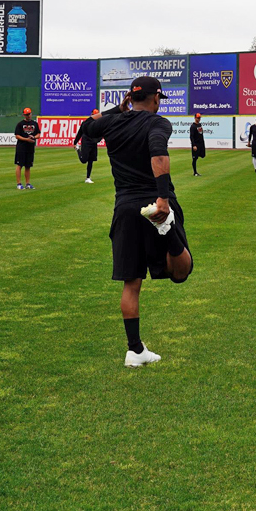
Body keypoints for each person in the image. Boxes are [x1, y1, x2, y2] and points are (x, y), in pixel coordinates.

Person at [81, 77, 193, 368]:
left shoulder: (112, 122)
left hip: (126, 209)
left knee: (131, 283)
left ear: (131, 97)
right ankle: (166, 230)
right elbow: (158, 154)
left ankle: (134, 350)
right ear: (156, 97)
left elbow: (87, 126)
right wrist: (163, 202)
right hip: (155, 201)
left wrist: (117, 111)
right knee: (181, 271)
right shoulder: (158, 123)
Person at [14, 107, 40, 190]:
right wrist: (26, 139)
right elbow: (17, 135)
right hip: (21, 147)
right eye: (26, 114)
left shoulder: (35, 124)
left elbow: (38, 134)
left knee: (28, 166)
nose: (28, 116)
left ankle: (28, 183)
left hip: (30, 148)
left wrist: (34, 137)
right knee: (19, 165)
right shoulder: (20, 124)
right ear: (24, 115)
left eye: (29, 114)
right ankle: (18, 183)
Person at [75, 109, 101, 183]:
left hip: (93, 143)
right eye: (94, 115)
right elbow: (80, 132)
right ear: (91, 115)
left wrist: (97, 140)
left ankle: (88, 178)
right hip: (86, 142)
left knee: (91, 161)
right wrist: (75, 142)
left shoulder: (99, 123)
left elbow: (101, 133)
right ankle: (77, 149)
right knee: (84, 160)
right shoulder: (86, 122)